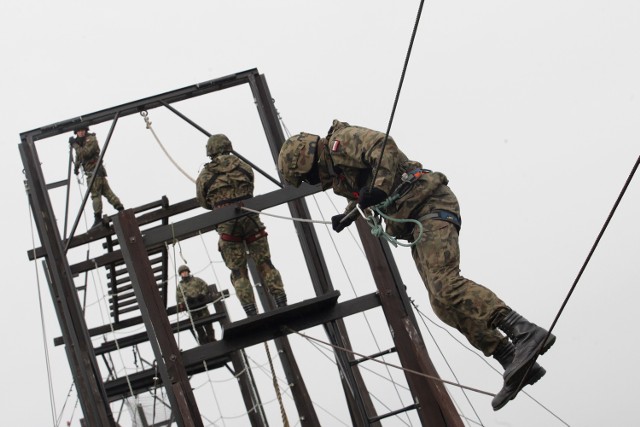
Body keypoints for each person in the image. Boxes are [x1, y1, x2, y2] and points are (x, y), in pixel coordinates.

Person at [277, 119, 556, 410]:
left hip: (430, 205)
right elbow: (367, 188)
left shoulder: (340, 143)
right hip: (416, 221)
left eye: (307, 177)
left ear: (307, 160)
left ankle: (525, 332)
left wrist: (381, 189)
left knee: (445, 286)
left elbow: (383, 147)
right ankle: (510, 358)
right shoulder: (339, 172)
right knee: (441, 302)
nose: (313, 182)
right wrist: (350, 213)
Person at [196, 134, 288, 317]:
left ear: (210, 151)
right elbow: (250, 188)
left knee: (238, 271)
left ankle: (250, 310)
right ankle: (281, 300)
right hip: (251, 219)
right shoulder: (243, 166)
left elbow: (203, 201)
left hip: (227, 226)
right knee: (265, 263)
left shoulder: (205, 174)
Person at [69, 125, 124, 228]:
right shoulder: (80, 142)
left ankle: (97, 218)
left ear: (85, 131)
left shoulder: (91, 139)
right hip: (95, 172)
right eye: (79, 131)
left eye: (82, 130)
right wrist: (76, 168)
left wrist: (74, 145)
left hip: (94, 172)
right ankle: (121, 209)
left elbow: (85, 153)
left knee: (95, 195)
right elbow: (79, 156)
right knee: (107, 192)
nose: (81, 133)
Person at [176, 265, 216, 344]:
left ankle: (211, 338)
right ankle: (203, 341)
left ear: (188, 272)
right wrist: (186, 300)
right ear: (180, 275)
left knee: (208, 324)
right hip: (192, 310)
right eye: (182, 273)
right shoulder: (180, 286)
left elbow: (205, 286)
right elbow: (179, 298)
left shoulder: (196, 280)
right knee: (198, 327)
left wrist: (202, 295)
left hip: (202, 306)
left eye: (185, 272)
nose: (184, 274)